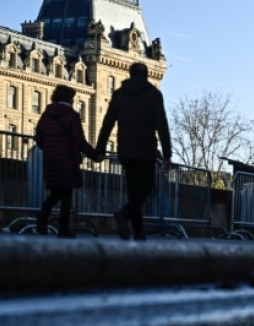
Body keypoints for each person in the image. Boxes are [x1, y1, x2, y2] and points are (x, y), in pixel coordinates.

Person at [96, 62, 172, 241]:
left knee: (133, 189)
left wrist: (100, 149)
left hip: (125, 148)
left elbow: (107, 123)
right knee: (146, 188)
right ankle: (125, 214)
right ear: (146, 75)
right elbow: (162, 124)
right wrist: (167, 153)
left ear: (129, 74)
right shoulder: (153, 95)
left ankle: (138, 231)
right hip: (145, 149)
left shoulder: (119, 95)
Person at [34, 84, 100, 238]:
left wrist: (50, 149)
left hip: (51, 160)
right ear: (69, 98)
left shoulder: (45, 115)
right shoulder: (72, 116)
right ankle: (63, 228)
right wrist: (94, 155)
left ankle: (43, 215)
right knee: (67, 195)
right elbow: (79, 141)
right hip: (68, 160)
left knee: (57, 192)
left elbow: (38, 138)